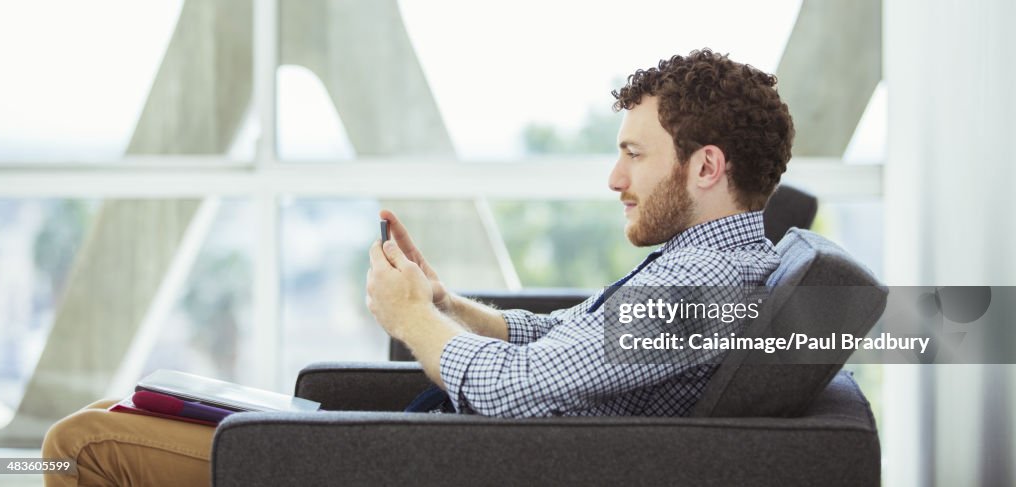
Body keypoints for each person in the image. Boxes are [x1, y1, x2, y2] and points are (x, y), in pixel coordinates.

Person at [42, 48, 794, 485]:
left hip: (415, 462)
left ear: (706, 167)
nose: (614, 179)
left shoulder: (699, 292)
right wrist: (446, 302)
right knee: (125, 416)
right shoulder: (716, 272)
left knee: (80, 443)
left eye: (633, 154)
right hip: (419, 446)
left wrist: (410, 319)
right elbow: (564, 336)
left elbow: (510, 389)